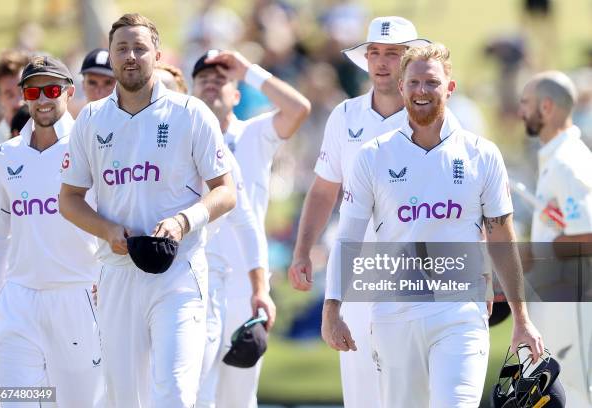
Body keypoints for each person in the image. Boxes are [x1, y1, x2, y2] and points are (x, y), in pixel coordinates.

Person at [323, 43, 543, 407]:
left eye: (431, 82)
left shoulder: (481, 154)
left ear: (449, 88)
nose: (421, 91)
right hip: (394, 315)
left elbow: (502, 236)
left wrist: (522, 318)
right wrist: (333, 310)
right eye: (413, 82)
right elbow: (348, 237)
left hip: (461, 313)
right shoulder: (372, 156)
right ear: (402, 85)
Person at [59, 13, 236, 408]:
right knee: (125, 399)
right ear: (112, 55)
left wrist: (182, 221)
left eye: (140, 48)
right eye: (122, 48)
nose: (131, 56)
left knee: (174, 394)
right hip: (117, 273)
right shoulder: (90, 118)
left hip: (179, 271)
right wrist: (107, 230)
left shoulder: (190, 113)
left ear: (157, 53)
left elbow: (225, 192)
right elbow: (69, 199)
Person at [288, 16, 430, 408]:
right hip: (357, 264)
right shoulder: (345, 115)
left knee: (415, 385)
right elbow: (323, 189)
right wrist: (302, 251)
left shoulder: (431, 116)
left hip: (417, 266)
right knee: (361, 386)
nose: (382, 62)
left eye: (393, 54)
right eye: (375, 53)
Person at [0, 55, 104, 407]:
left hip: (78, 296)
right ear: (24, 95)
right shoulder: (5, 155)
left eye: (51, 89)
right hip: (19, 303)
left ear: (67, 92)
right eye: (34, 91)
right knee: (19, 401)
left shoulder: (90, 145)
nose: (43, 98)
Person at [191, 49, 310, 407]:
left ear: (237, 94)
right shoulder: (179, 142)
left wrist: (247, 70)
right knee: (196, 395)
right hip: (195, 282)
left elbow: (298, 109)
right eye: (203, 79)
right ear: (191, 92)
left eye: (221, 79)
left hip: (246, 284)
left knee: (240, 398)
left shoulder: (254, 134)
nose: (212, 84)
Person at [518, 71, 592, 406]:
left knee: (577, 394)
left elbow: (587, 236)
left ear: (545, 108)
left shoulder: (567, 162)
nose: (521, 112)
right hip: (558, 302)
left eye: (525, 103)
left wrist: (536, 252)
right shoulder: (556, 158)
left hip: (573, 303)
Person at [0, 50, 31, 235]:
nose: (18, 102)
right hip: (3, 256)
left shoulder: (57, 139)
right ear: (0, 98)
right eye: (9, 94)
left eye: (22, 91)